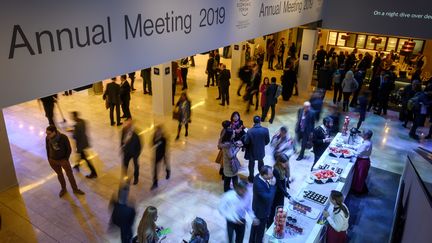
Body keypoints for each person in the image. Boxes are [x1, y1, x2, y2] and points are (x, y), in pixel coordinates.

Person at [45, 125, 85, 197]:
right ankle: (63, 189)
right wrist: (49, 158)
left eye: (49, 133)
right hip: (53, 160)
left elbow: (69, 149)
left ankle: (75, 189)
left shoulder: (63, 137)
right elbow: (47, 148)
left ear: (54, 132)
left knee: (70, 175)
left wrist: (65, 159)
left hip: (63, 160)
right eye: (46, 133)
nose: (47, 135)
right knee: (59, 175)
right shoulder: (47, 138)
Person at [249, 165, 276, 243]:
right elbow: (269, 198)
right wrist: (272, 186)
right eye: (270, 174)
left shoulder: (258, 176)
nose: (272, 175)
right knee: (259, 232)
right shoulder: (259, 185)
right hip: (260, 211)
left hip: (259, 208)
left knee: (254, 229)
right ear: (264, 175)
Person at [70, 111, 97, 178]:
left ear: (75, 116)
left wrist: (72, 132)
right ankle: (77, 165)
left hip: (80, 144)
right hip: (84, 141)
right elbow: (82, 131)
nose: (71, 118)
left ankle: (94, 172)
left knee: (85, 158)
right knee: (81, 156)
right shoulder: (83, 121)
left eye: (72, 116)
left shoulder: (76, 125)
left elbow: (75, 136)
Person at [244, 116, 270, 183]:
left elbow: (246, 142)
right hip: (260, 151)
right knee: (261, 163)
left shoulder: (250, 131)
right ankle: (261, 176)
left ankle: (251, 177)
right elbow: (267, 141)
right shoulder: (265, 130)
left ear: (253, 121)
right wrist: (261, 145)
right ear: (260, 121)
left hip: (251, 151)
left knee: (251, 164)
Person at [269, 154, 292, 226]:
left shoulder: (286, 167)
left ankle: (277, 222)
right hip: (277, 192)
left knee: (280, 208)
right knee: (274, 209)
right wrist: (288, 196)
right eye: (284, 163)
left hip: (282, 191)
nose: (286, 165)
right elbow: (279, 185)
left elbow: (285, 179)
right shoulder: (276, 170)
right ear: (279, 162)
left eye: (287, 163)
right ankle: (269, 224)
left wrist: (288, 181)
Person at [351, 129, 373, 194]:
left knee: (360, 177)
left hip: (363, 162)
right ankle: (359, 189)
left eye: (363, 134)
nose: (362, 135)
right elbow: (359, 147)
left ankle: (358, 191)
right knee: (360, 176)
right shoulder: (368, 141)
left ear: (366, 136)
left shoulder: (366, 144)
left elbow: (358, 153)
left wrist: (350, 151)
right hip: (364, 161)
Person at [121, 118, 142, 185]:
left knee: (136, 165)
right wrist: (122, 148)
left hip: (134, 153)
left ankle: (136, 178)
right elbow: (122, 140)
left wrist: (137, 154)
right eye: (127, 124)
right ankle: (125, 177)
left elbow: (140, 145)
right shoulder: (124, 130)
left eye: (129, 125)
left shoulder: (136, 134)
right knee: (125, 165)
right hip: (126, 152)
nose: (127, 126)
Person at [151, 125, 170, 190]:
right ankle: (155, 182)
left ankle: (168, 171)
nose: (157, 133)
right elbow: (152, 143)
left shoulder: (164, 138)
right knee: (155, 169)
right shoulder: (154, 136)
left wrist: (157, 143)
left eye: (159, 131)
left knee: (166, 164)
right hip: (157, 155)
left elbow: (164, 148)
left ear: (161, 132)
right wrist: (154, 144)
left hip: (163, 154)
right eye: (157, 131)